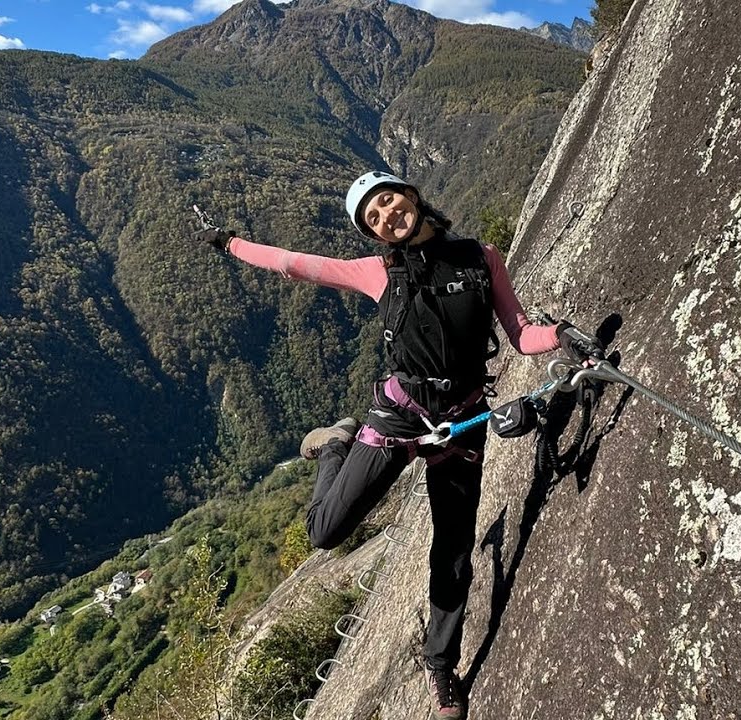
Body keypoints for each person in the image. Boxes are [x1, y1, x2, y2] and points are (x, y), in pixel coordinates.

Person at [195, 171, 600, 719]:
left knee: (453, 549)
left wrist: (565, 336)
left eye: (387, 199)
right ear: (374, 234)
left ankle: (440, 664)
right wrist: (229, 243)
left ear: (409, 194)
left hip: (461, 421)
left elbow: (522, 333)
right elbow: (291, 262)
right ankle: (338, 443)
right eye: (372, 218)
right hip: (400, 417)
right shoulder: (374, 272)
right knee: (325, 531)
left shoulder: (481, 257)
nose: (386, 214)